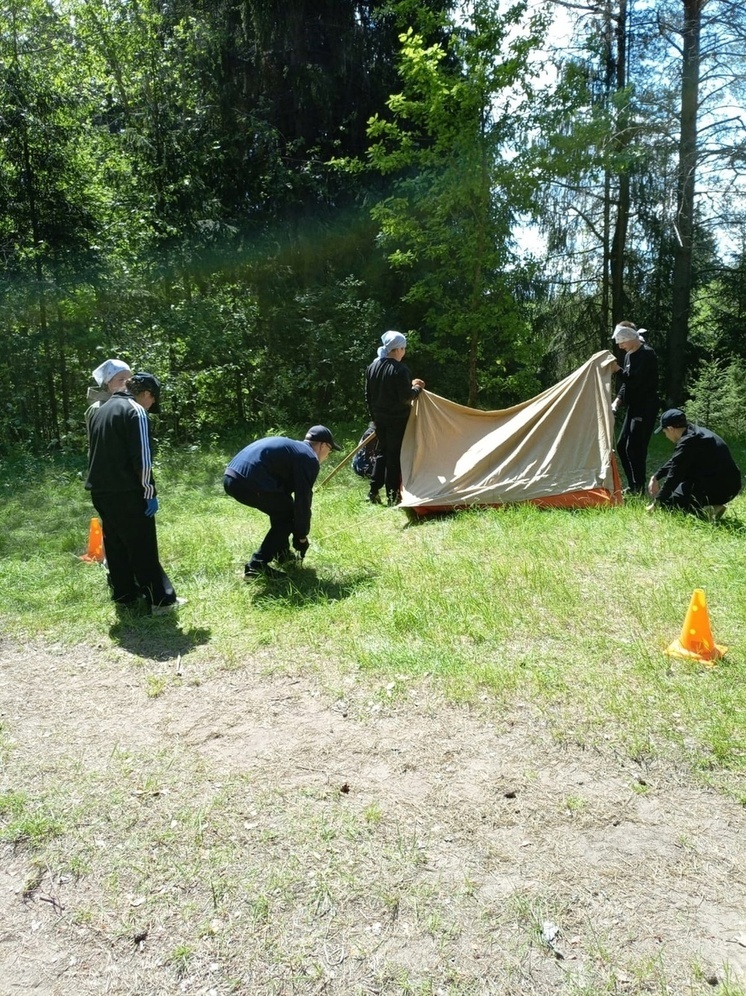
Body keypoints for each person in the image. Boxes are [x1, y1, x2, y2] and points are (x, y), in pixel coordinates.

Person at [85, 372, 183, 614]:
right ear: (147, 394)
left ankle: (125, 594)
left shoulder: (101, 409)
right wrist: (149, 491)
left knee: (116, 543)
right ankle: (160, 601)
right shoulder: (135, 411)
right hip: (128, 491)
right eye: (153, 402)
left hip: (100, 490)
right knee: (143, 546)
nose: (151, 407)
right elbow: (143, 457)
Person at [224, 425, 341, 580]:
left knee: (282, 509)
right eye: (330, 450)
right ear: (323, 445)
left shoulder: (295, 450)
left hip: (231, 477)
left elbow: (284, 496)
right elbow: (303, 502)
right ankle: (256, 566)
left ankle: (282, 554)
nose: (328, 455)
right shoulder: (309, 457)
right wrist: (301, 536)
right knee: (287, 516)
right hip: (249, 482)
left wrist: (299, 532)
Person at [364, 331, 425, 505]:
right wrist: (417, 388)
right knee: (394, 457)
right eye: (404, 348)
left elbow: (368, 396)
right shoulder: (400, 370)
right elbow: (405, 396)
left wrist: (374, 417)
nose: (404, 351)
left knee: (382, 453)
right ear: (398, 349)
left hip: (380, 419)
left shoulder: (372, 367)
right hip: (397, 420)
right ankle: (392, 496)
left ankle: (373, 491)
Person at [647, 408, 742, 519]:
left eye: (665, 432)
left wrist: (657, 504)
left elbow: (674, 476)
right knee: (677, 492)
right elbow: (676, 460)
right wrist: (656, 477)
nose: (666, 436)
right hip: (731, 485)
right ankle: (709, 505)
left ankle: (709, 509)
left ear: (671, 429)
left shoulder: (688, 442)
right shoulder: (695, 433)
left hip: (719, 489)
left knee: (668, 505)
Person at [610, 321, 659, 495]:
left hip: (646, 407)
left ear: (630, 337)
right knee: (622, 445)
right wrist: (617, 401)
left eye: (622, 342)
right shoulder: (629, 355)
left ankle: (639, 487)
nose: (620, 346)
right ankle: (633, 486)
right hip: (634, 406)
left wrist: (617, 370)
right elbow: (627, 385)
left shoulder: (647, 354)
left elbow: (635, 381)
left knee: (635, 447)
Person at [85, 359, 133, 440]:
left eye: (129, 379)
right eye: (121, 379)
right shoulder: (97, 408)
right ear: (108, 382)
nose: (126, 383)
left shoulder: (131, 404)